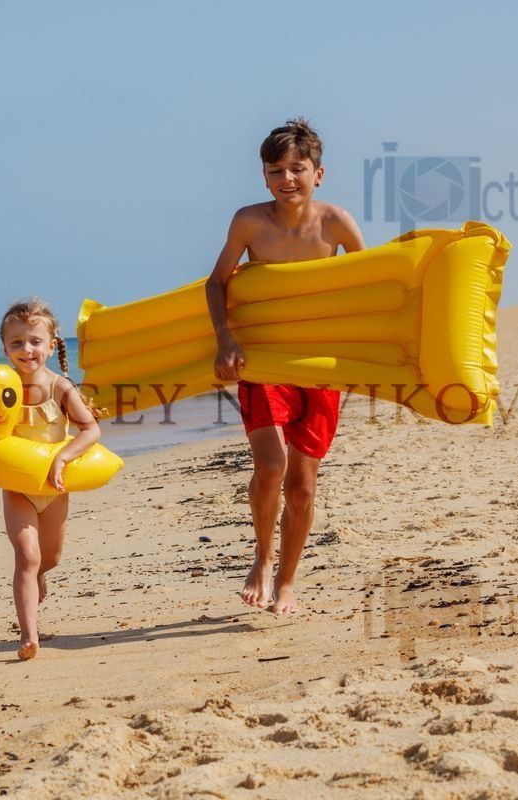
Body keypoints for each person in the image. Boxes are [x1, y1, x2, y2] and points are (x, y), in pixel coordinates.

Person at [205, 118, 366, 614]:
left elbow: (371, 285)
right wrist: (225, 338)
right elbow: (216, 282)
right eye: (276, 170)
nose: (287, 178)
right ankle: (263, 555)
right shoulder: (249, 223)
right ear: (264, 176)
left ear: (319, 173)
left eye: (298, 168)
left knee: (302, 486)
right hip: (264, 360)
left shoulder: (336, 223)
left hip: (320, 366)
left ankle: (288, 581)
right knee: (271, 466)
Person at [0, 298, 101, 659]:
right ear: (5, 348)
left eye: (35, 341)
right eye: (16, 342)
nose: (26, 349)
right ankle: (29, 635)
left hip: (54, 486)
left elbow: (91, 430)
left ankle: (41, 574)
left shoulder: (60, 388)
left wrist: (63, 457)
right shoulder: (0, 387)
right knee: (27, 556)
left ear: (52, 345)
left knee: (50, 558)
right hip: (18, 487)